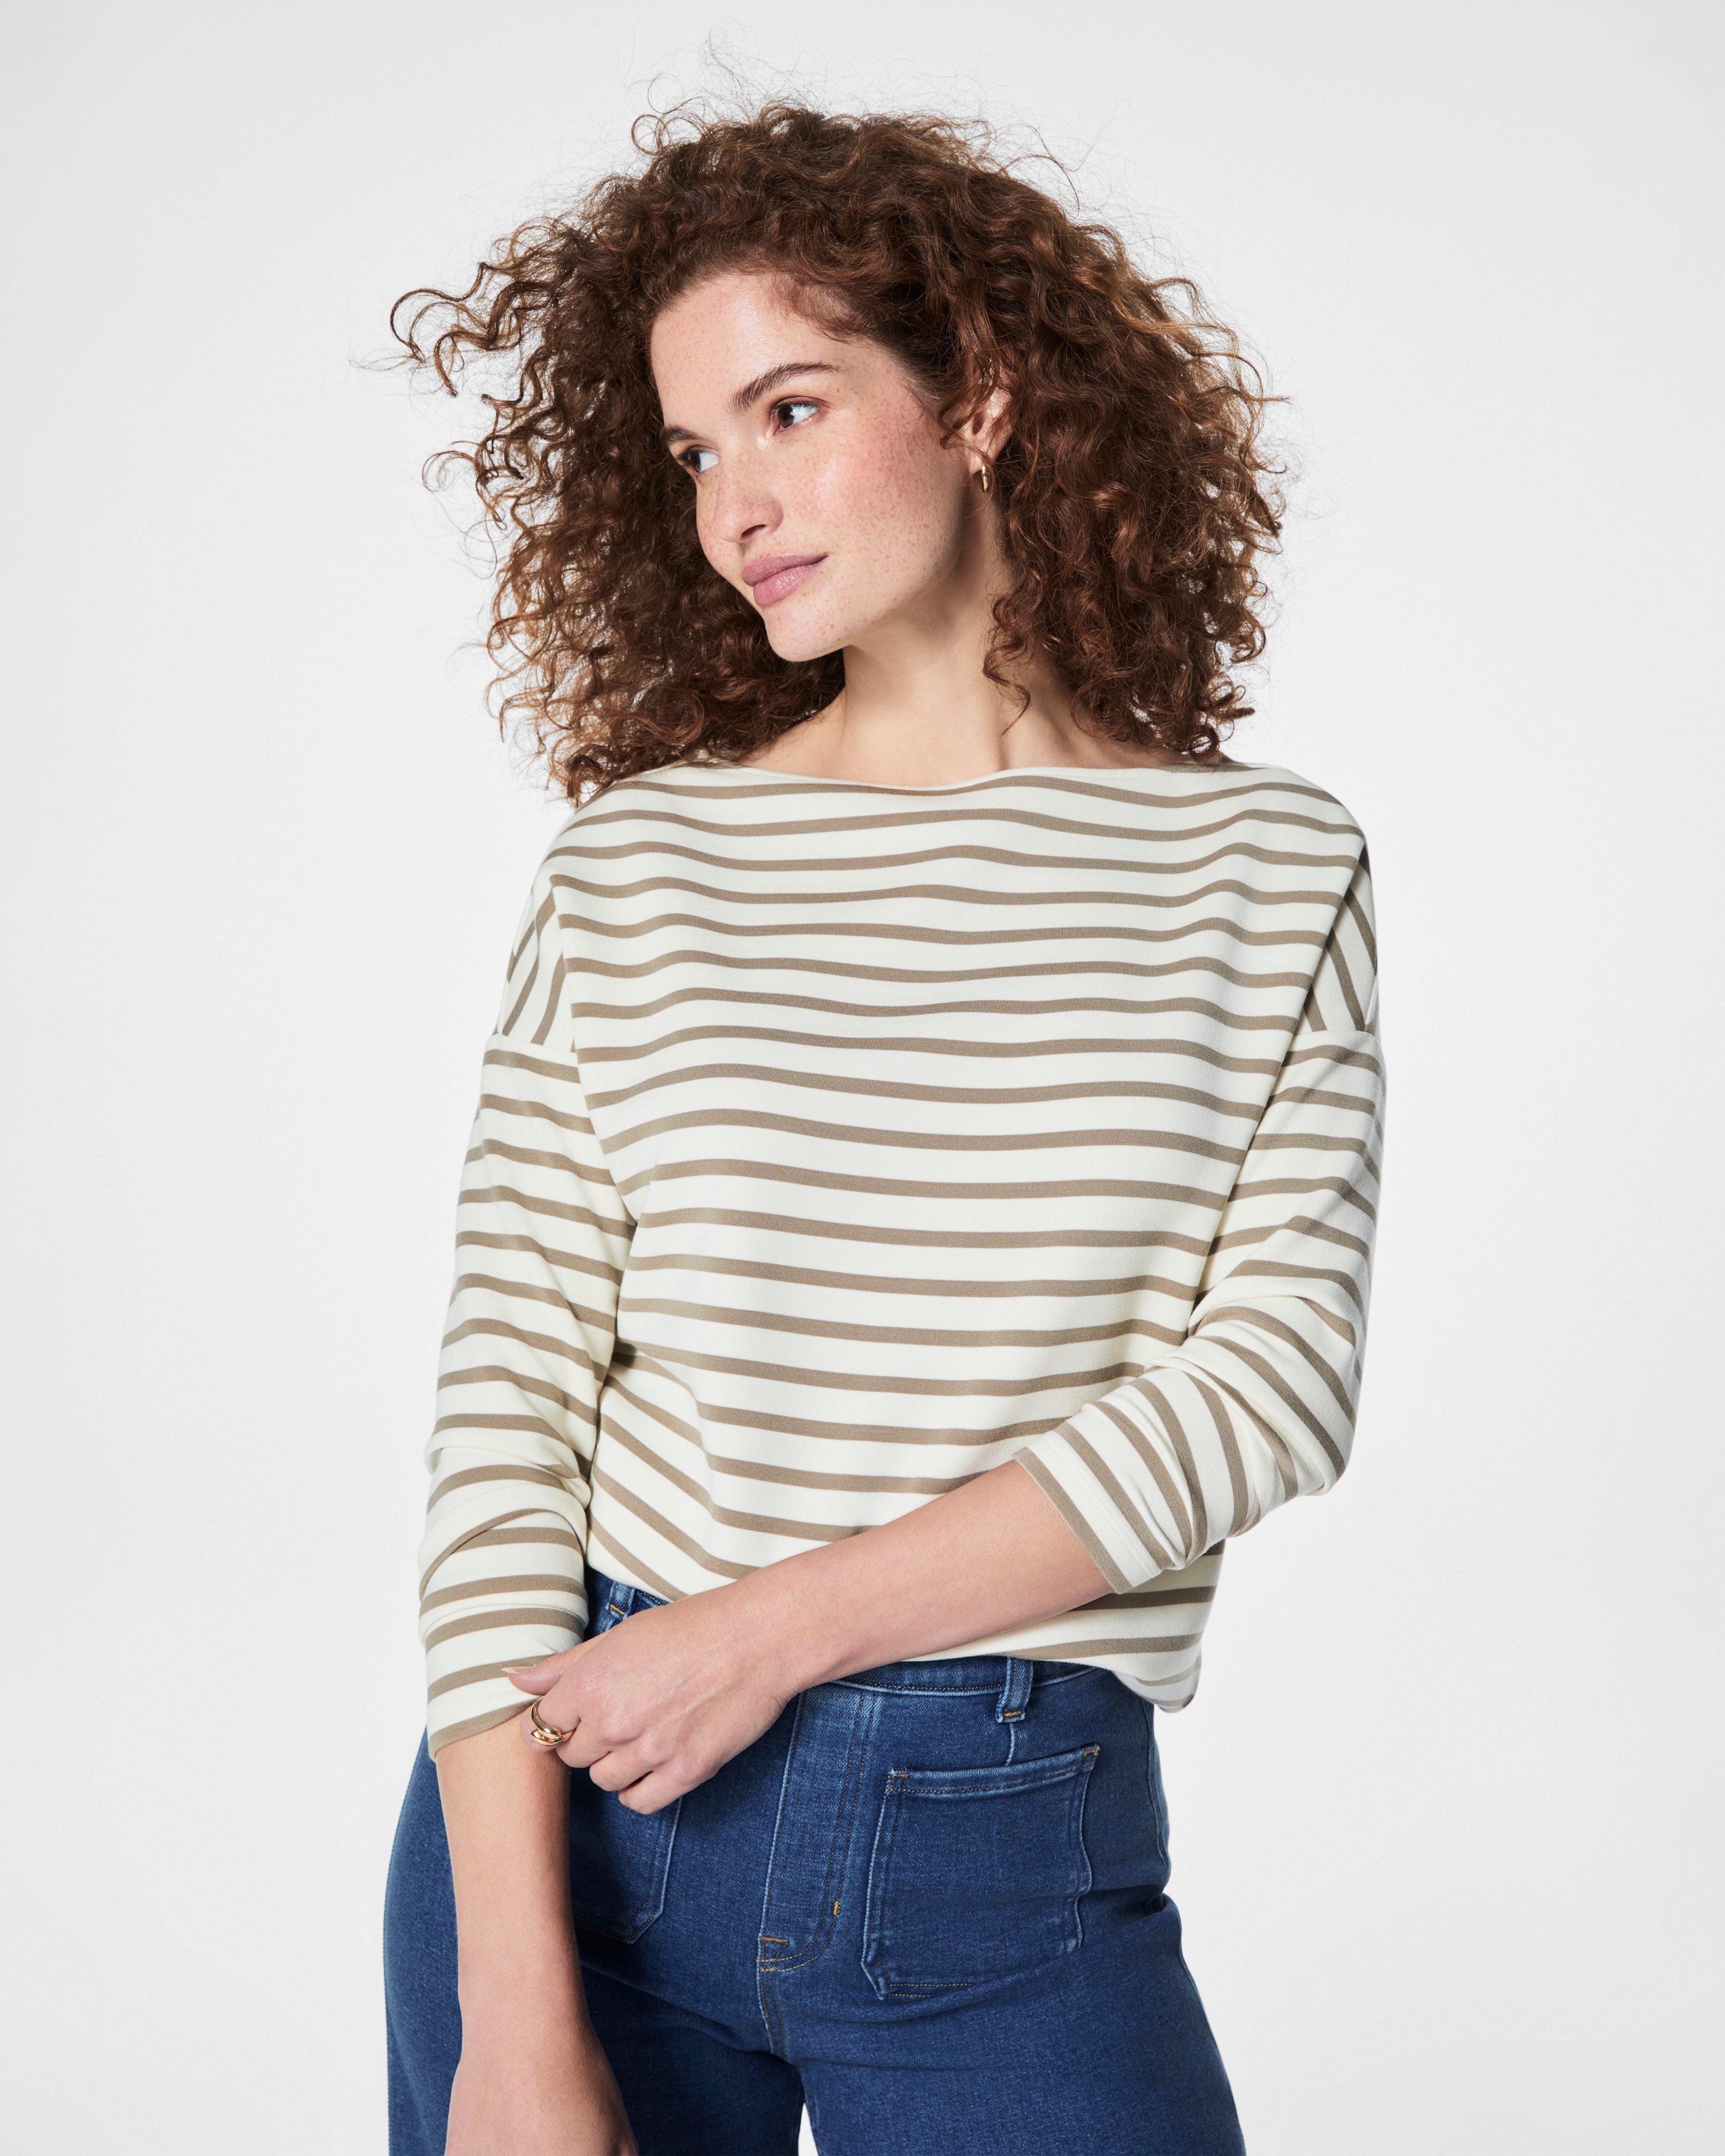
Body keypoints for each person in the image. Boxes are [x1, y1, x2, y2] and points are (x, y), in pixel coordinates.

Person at [382, 102, 1385, 2156]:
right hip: (582, 1836)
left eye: (790, 409)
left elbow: (1275, 1381)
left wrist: (768, 1633)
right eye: (692, 452)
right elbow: (506, 1412)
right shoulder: (641, 869)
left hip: (1004, 1836)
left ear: (982, 394)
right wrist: (510, 2010)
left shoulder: (1262, 866)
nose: (736, 503)